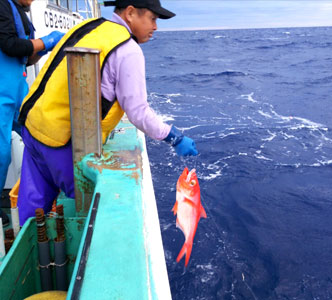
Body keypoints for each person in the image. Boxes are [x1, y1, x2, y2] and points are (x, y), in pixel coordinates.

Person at [17, 0, 199, 225]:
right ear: (131, 12)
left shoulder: (87, 26)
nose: (156, 27)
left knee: (32, 212)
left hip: (32, 126)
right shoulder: (127, 48)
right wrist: (174, 137)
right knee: (88, 214)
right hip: (63, 143)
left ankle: (27, 252)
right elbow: (138, 111)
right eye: (152, 19)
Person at [0, 0, 64, 226]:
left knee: (39, 136)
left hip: (19, 91)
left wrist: (43, 48)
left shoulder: (22, 14)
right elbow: (9, 45)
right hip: (2, 92)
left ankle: (52, 190)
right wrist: (45, 41)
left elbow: (26, 57)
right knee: (2, 153)